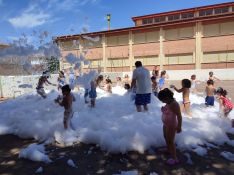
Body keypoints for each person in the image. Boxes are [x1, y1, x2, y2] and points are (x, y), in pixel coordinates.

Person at [158, 88, 182, 165]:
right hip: (166, 124)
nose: (162, 102)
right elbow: (168, 110)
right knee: (165, 137)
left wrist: (179, 126)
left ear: (167, 98)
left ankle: (175, 158)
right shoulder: (168, 102)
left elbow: (179, 116)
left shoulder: (174, 104)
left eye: (162, 100)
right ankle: (169, 150)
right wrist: (163, 109)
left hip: (171, 125)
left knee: (170, 141)